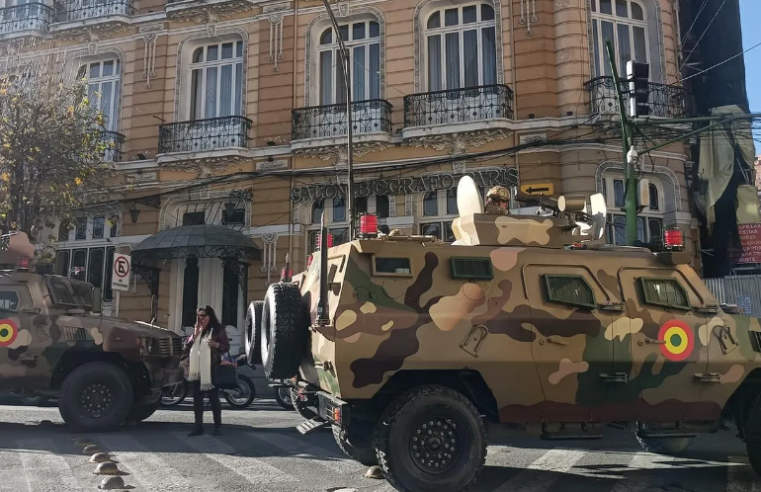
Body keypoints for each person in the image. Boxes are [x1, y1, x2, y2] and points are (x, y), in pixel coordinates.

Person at [184, 305, 229, 436]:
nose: (201, 318)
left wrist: (217, 345)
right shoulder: (197, 329)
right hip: (196, 369)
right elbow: (186, 347)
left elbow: (226, 347)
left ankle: (217, 427)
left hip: (211, 368)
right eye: (199, 316)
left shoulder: (218, 329)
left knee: (214, 398)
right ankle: (198, 427)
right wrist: (194, 336)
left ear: (210, 316)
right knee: (197, 400)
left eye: (204, 316)